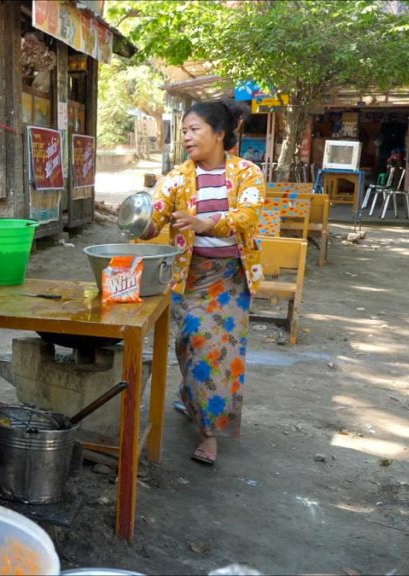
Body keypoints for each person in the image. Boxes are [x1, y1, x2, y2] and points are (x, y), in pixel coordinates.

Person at [138, 100, 264, 466]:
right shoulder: (177, 177)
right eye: (184, 132)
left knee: (219, 353)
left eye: (194, 130)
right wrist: (140, 222)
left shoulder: (247, 173)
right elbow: (155, 218)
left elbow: (248, 214)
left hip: (230, 279)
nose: (187, 137)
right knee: (191, 343)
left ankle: (209, 435)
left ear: (220, 133)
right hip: (190, 277)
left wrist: (208, 223)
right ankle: (194, 397)